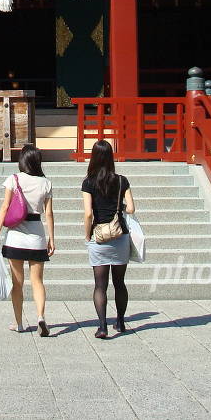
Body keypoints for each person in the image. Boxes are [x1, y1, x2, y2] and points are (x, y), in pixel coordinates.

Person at [0, 144, 55, 336]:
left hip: (16, 237)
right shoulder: (46, 183)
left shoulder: (14, 179)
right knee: (38, 281)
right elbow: (49, 214)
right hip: (37, 236)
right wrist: (52, 238)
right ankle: (41, 317)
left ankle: (18, 323)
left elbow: (5, 207)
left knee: (17, 283)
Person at [81, 139, 135, 338]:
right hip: (120, 236)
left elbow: (88, 213)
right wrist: (118, 207)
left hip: (100, 236)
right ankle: (120, 322)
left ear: (94, 157)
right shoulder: (122, 180)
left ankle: (102, 326)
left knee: (100, 285)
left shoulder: (88, 182)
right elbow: (131, 208)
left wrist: (87, 236)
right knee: (119, 282)